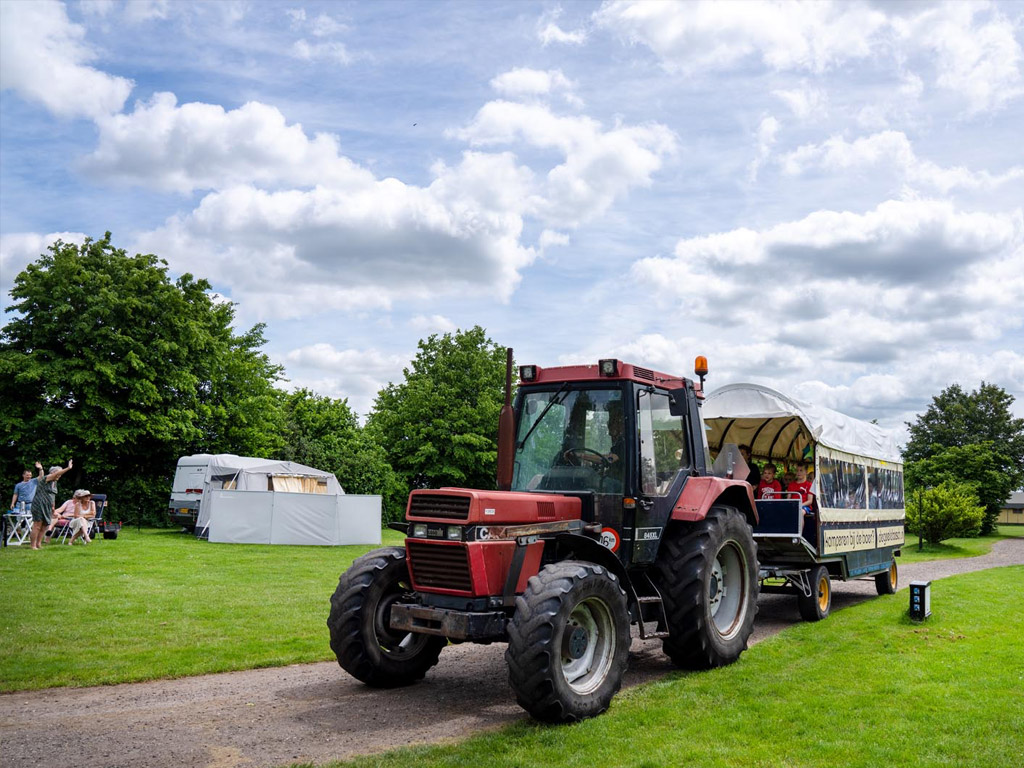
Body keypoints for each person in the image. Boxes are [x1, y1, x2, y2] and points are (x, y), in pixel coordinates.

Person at [28, 460, 73, 550]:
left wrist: (53, 509)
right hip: (39, 504)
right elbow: (55, 475)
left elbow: (52, 496)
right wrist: (68, 468)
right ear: (53, 473)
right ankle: (32, 545)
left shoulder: (54, 483)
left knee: (44, 526)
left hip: (48, 506)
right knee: (37, 525)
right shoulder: (46, 478)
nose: (59, 476)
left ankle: (39, 544)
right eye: (58, 474)